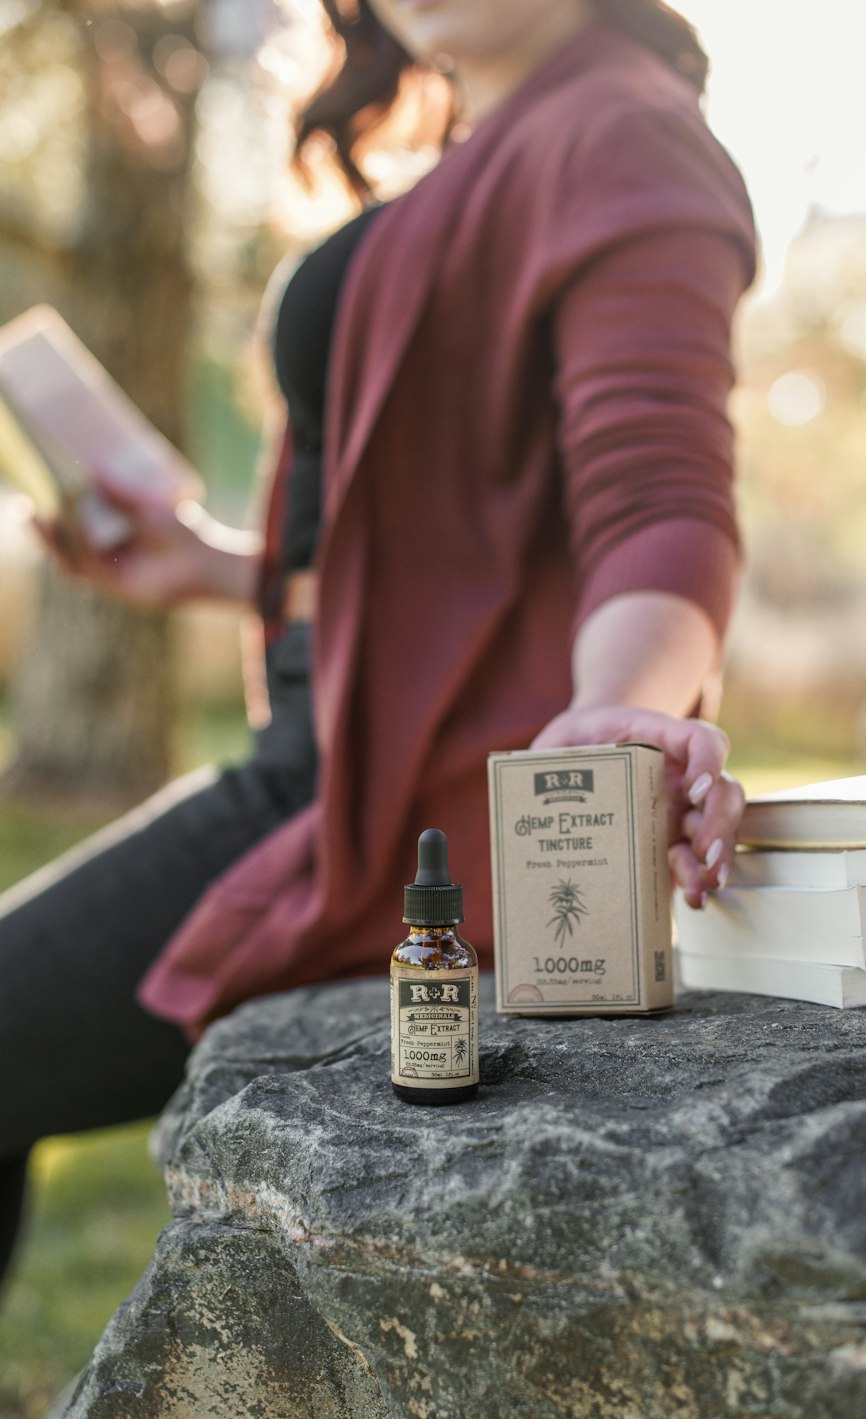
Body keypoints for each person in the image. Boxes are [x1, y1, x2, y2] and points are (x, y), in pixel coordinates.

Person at [0, 0, 755, 1284]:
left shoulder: (620, 131)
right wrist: (222, 569)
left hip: (380, 807)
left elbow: (661, 495)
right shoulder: (494, 144)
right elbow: (447, 564)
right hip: (317, 763)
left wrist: (615, 711)